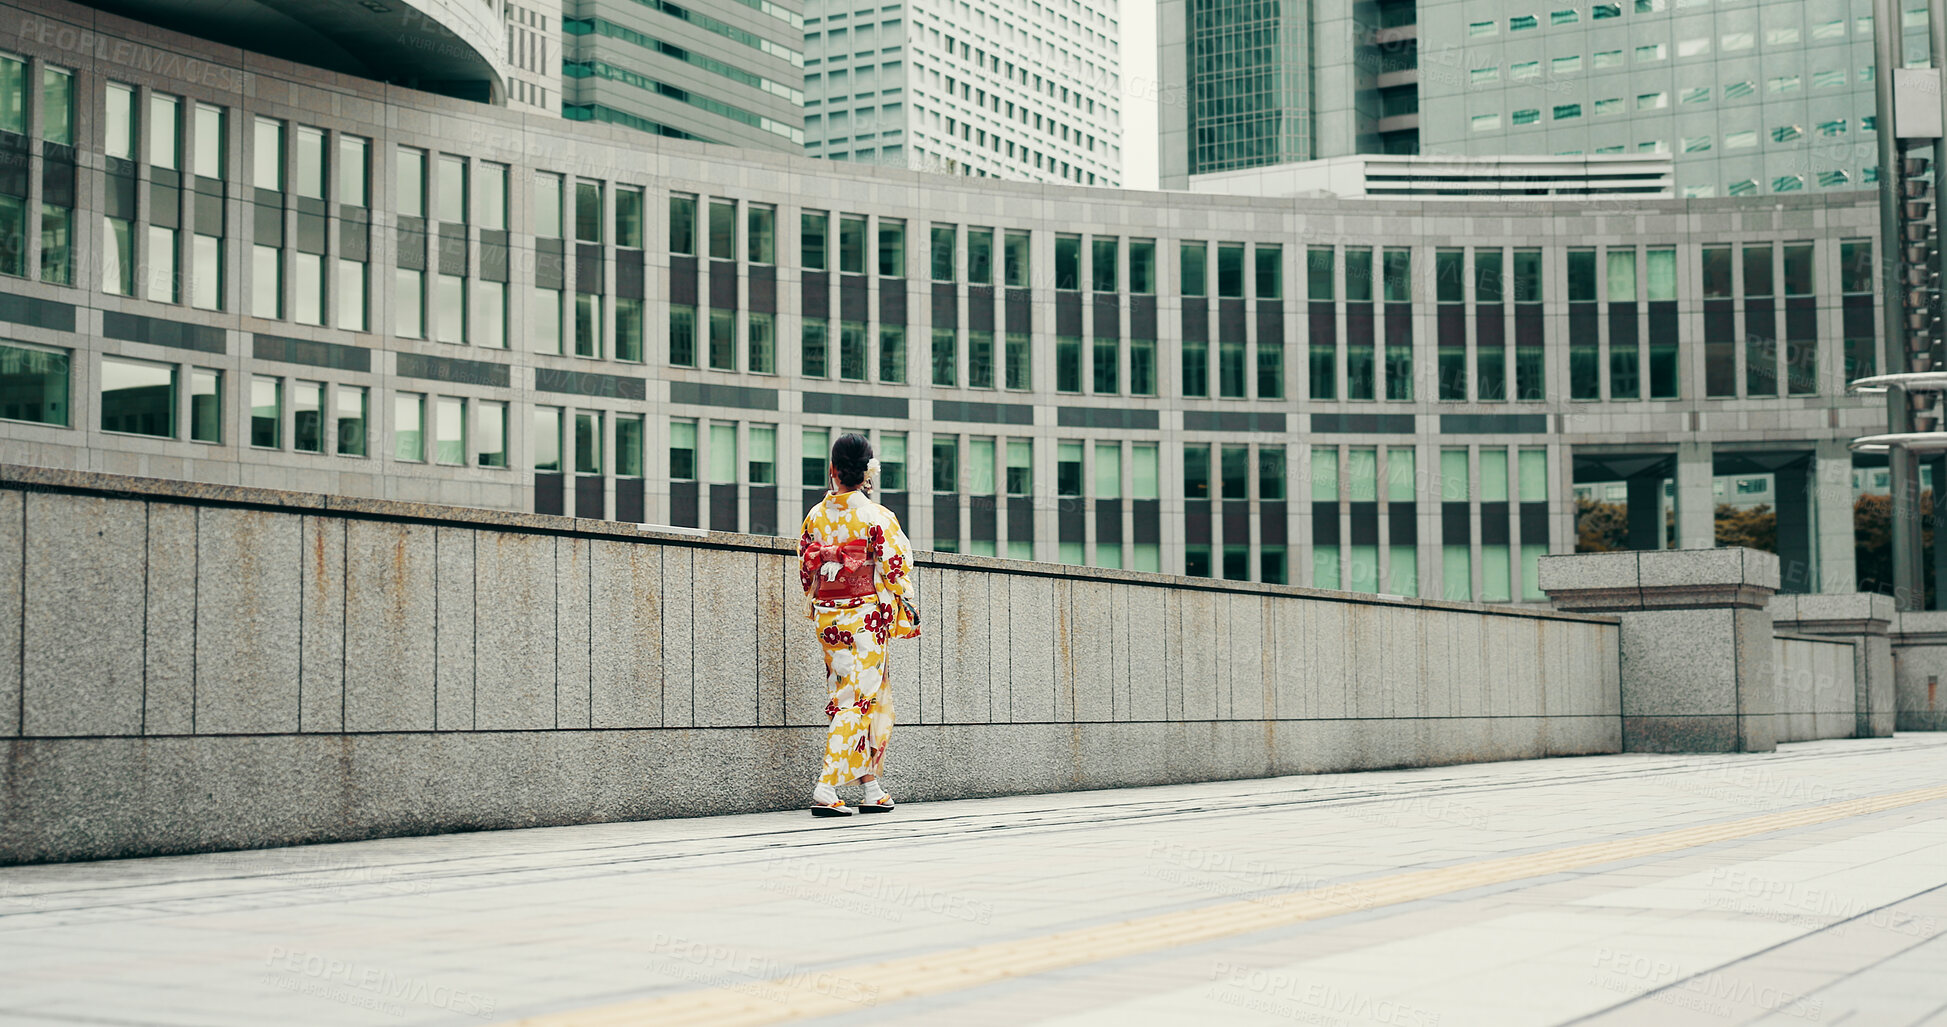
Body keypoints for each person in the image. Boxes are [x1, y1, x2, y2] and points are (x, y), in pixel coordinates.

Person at [797, 434, 920, 817]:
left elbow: (806, 568)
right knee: (858, 698)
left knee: (850, 694)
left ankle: (871, 787)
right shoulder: (876, 516)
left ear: (832, 469)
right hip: (865, 617)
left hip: (829, 617)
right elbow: (898, 567)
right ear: (868, 472)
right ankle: (826, 786)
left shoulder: (815, 516)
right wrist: (902, 595)